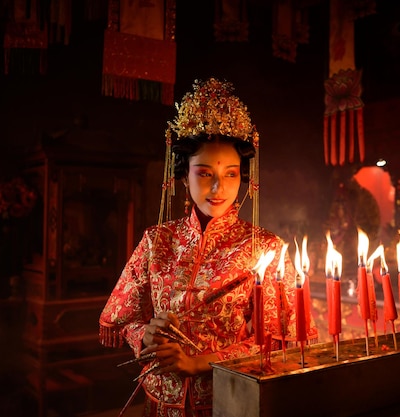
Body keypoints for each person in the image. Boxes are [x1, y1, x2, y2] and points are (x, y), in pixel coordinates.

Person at [99, 78, 317, 417]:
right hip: (159, 402)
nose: (218, 187)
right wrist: (147, 334)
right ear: (184, 176)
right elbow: (126, 319)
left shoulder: (266, 249)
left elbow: (276, 343)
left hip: (227, 400)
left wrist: (199, 363)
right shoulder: (157, 241)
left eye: (231, 174)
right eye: (204, 174)